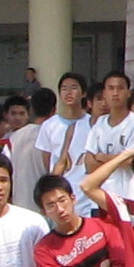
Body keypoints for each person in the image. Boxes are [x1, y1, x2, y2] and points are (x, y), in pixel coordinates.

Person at [81, 73, 134, 204]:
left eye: (120, 88)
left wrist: (102, 157)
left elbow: (133, 161)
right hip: (101, 197)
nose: (115, 93)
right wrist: (119, 159)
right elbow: (89, 164)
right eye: (111, 88)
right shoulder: (99, 123)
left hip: (129, 196)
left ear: (128, 93)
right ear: (104, 93)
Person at [38, 73, 95, 210]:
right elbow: (47, 160)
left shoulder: (93, 124)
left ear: (83, 93)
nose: (69, 92)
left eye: (74, 88)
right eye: (64, 89)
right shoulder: (49, 125)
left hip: (87, 195)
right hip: (60, 194)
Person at [7, 86, 56, 213]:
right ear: (54, 110)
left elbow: (7, 170)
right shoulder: (56, 136)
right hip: (48, 207)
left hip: (19, 205)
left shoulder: (15, 137)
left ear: (32, 109)